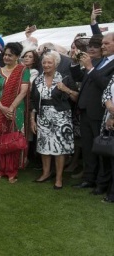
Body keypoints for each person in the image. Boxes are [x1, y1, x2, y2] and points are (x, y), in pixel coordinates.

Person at [72, 32, 114, 195]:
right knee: (88, 148)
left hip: (100, 112)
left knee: (102, 148)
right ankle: (89, 179)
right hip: (85, 110)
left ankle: (101, 183)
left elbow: (106, 85)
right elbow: (82, 77)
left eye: (106, 43)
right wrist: (76, 63)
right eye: (102, 43)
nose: (102, 46)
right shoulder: (101, 60)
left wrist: (90, 67)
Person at [30, 51, 78, 189]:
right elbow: (33, 101)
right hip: (43, 116)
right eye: (44, 62)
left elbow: (76, 97)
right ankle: (45, 173)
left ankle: (58, 178)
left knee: (60, 148)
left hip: (61, 117)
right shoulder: (38, 79)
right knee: (44, 146)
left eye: (49, 62)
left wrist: (66, 89)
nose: (46, 65)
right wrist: (32, 119)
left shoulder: (65, 78)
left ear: (56, 64)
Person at [0, 42, 30, 183]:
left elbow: (23, 91)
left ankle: (12, 171)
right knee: (0, 140)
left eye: (10, 55)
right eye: (5, 54)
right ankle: (1, 169)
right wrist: (2, 107)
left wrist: (11, 108)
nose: (6, 57)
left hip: (16, 110)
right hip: (0, 109)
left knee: (13, 140)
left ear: (17, 57)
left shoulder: (22, 70)